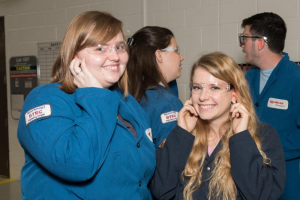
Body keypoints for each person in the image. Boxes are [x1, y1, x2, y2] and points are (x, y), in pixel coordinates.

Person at [17, 11, 155, 200]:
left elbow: (140, 180)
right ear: (74, 55)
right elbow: (76, 164)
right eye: (100, 48)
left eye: (119, 47)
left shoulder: (128, 102)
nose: (115, 57)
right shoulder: (45, 100)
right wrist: (95, 95)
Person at [150, 52, 286, 200]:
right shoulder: (182, 136)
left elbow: (260, 195)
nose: (202, 97)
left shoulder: (263, 136)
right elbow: (161, 192)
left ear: (234, 93)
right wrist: (181, 134)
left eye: (214, 88)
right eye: (197, 87)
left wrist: (241, 137)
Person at [240, 12, 300, 200]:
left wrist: (266, 144)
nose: (242, 45)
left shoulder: (295, 79)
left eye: (245, 38)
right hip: (251, 175)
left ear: (260, 43)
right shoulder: (247, 78)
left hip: (287, 181)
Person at [127, 26, 184, 148]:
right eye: (176, 50)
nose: (181, 57)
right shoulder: (166, 103)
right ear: (159, 55)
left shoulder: (130, 94)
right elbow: (174, 159)